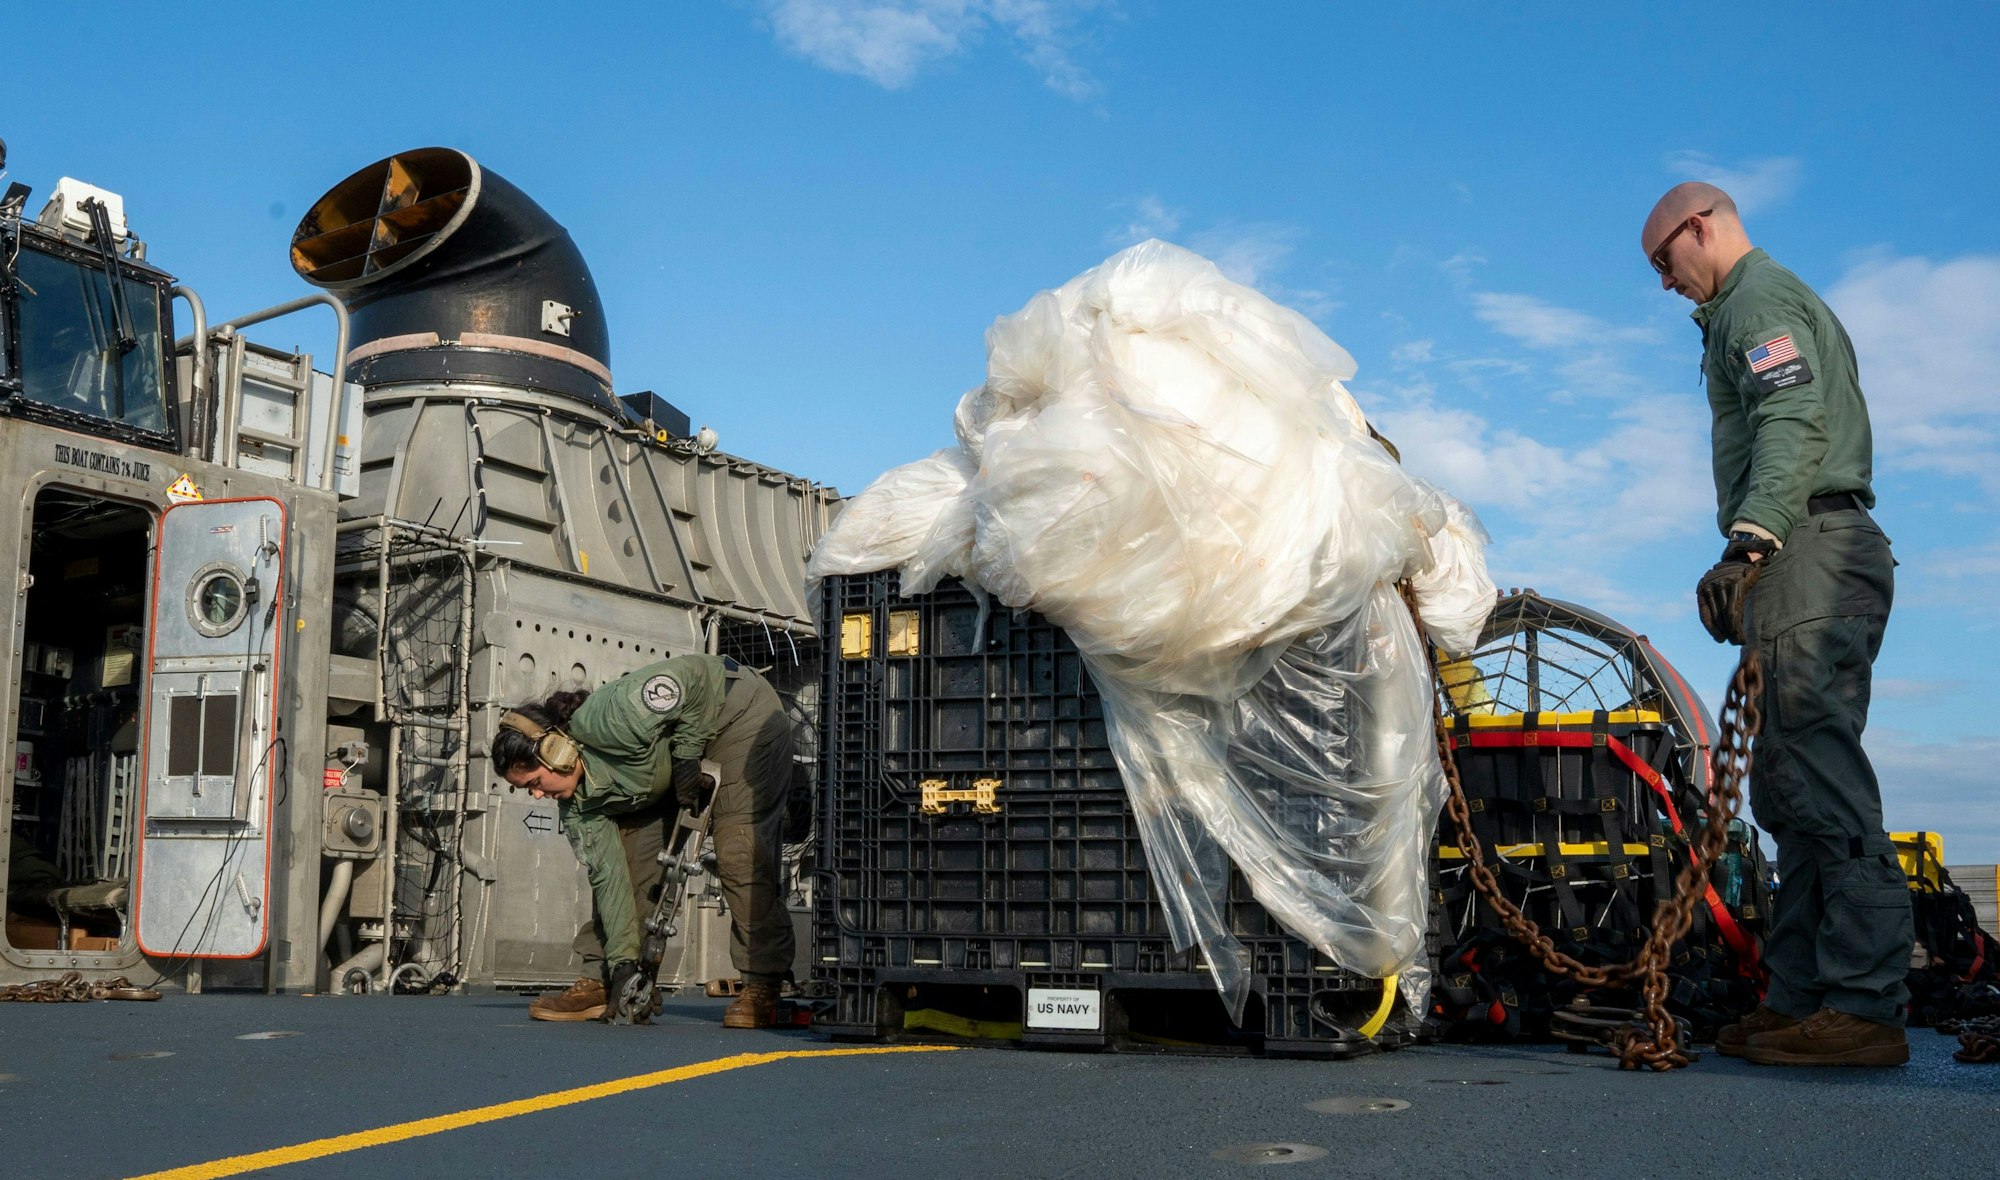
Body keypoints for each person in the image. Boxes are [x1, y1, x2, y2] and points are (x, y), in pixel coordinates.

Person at [1643, 182, 1911, 1067]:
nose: (1667, 281)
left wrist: (1750, 543)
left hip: (1813, 546)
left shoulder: (1756, 299)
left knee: (1822, 777)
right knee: (1788, 784)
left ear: (1701, 226)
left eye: (1664, 260)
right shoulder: (1741, 312)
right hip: (1804, 551)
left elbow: (1792, 415)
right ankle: (1801, 996)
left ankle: (1865, 1006)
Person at [493, 654, 797, 1028]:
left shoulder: (609, 716)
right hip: (663, 766)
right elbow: (610, 879)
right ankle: (607, 978)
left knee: (738, 850)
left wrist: (687, 754)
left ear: (556, 752)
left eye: (535, 783)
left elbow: (695, 678)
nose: (537, 795)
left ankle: (763, 983)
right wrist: (624, 964)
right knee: (629, 856)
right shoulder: (578, 806)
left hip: (736, 717)